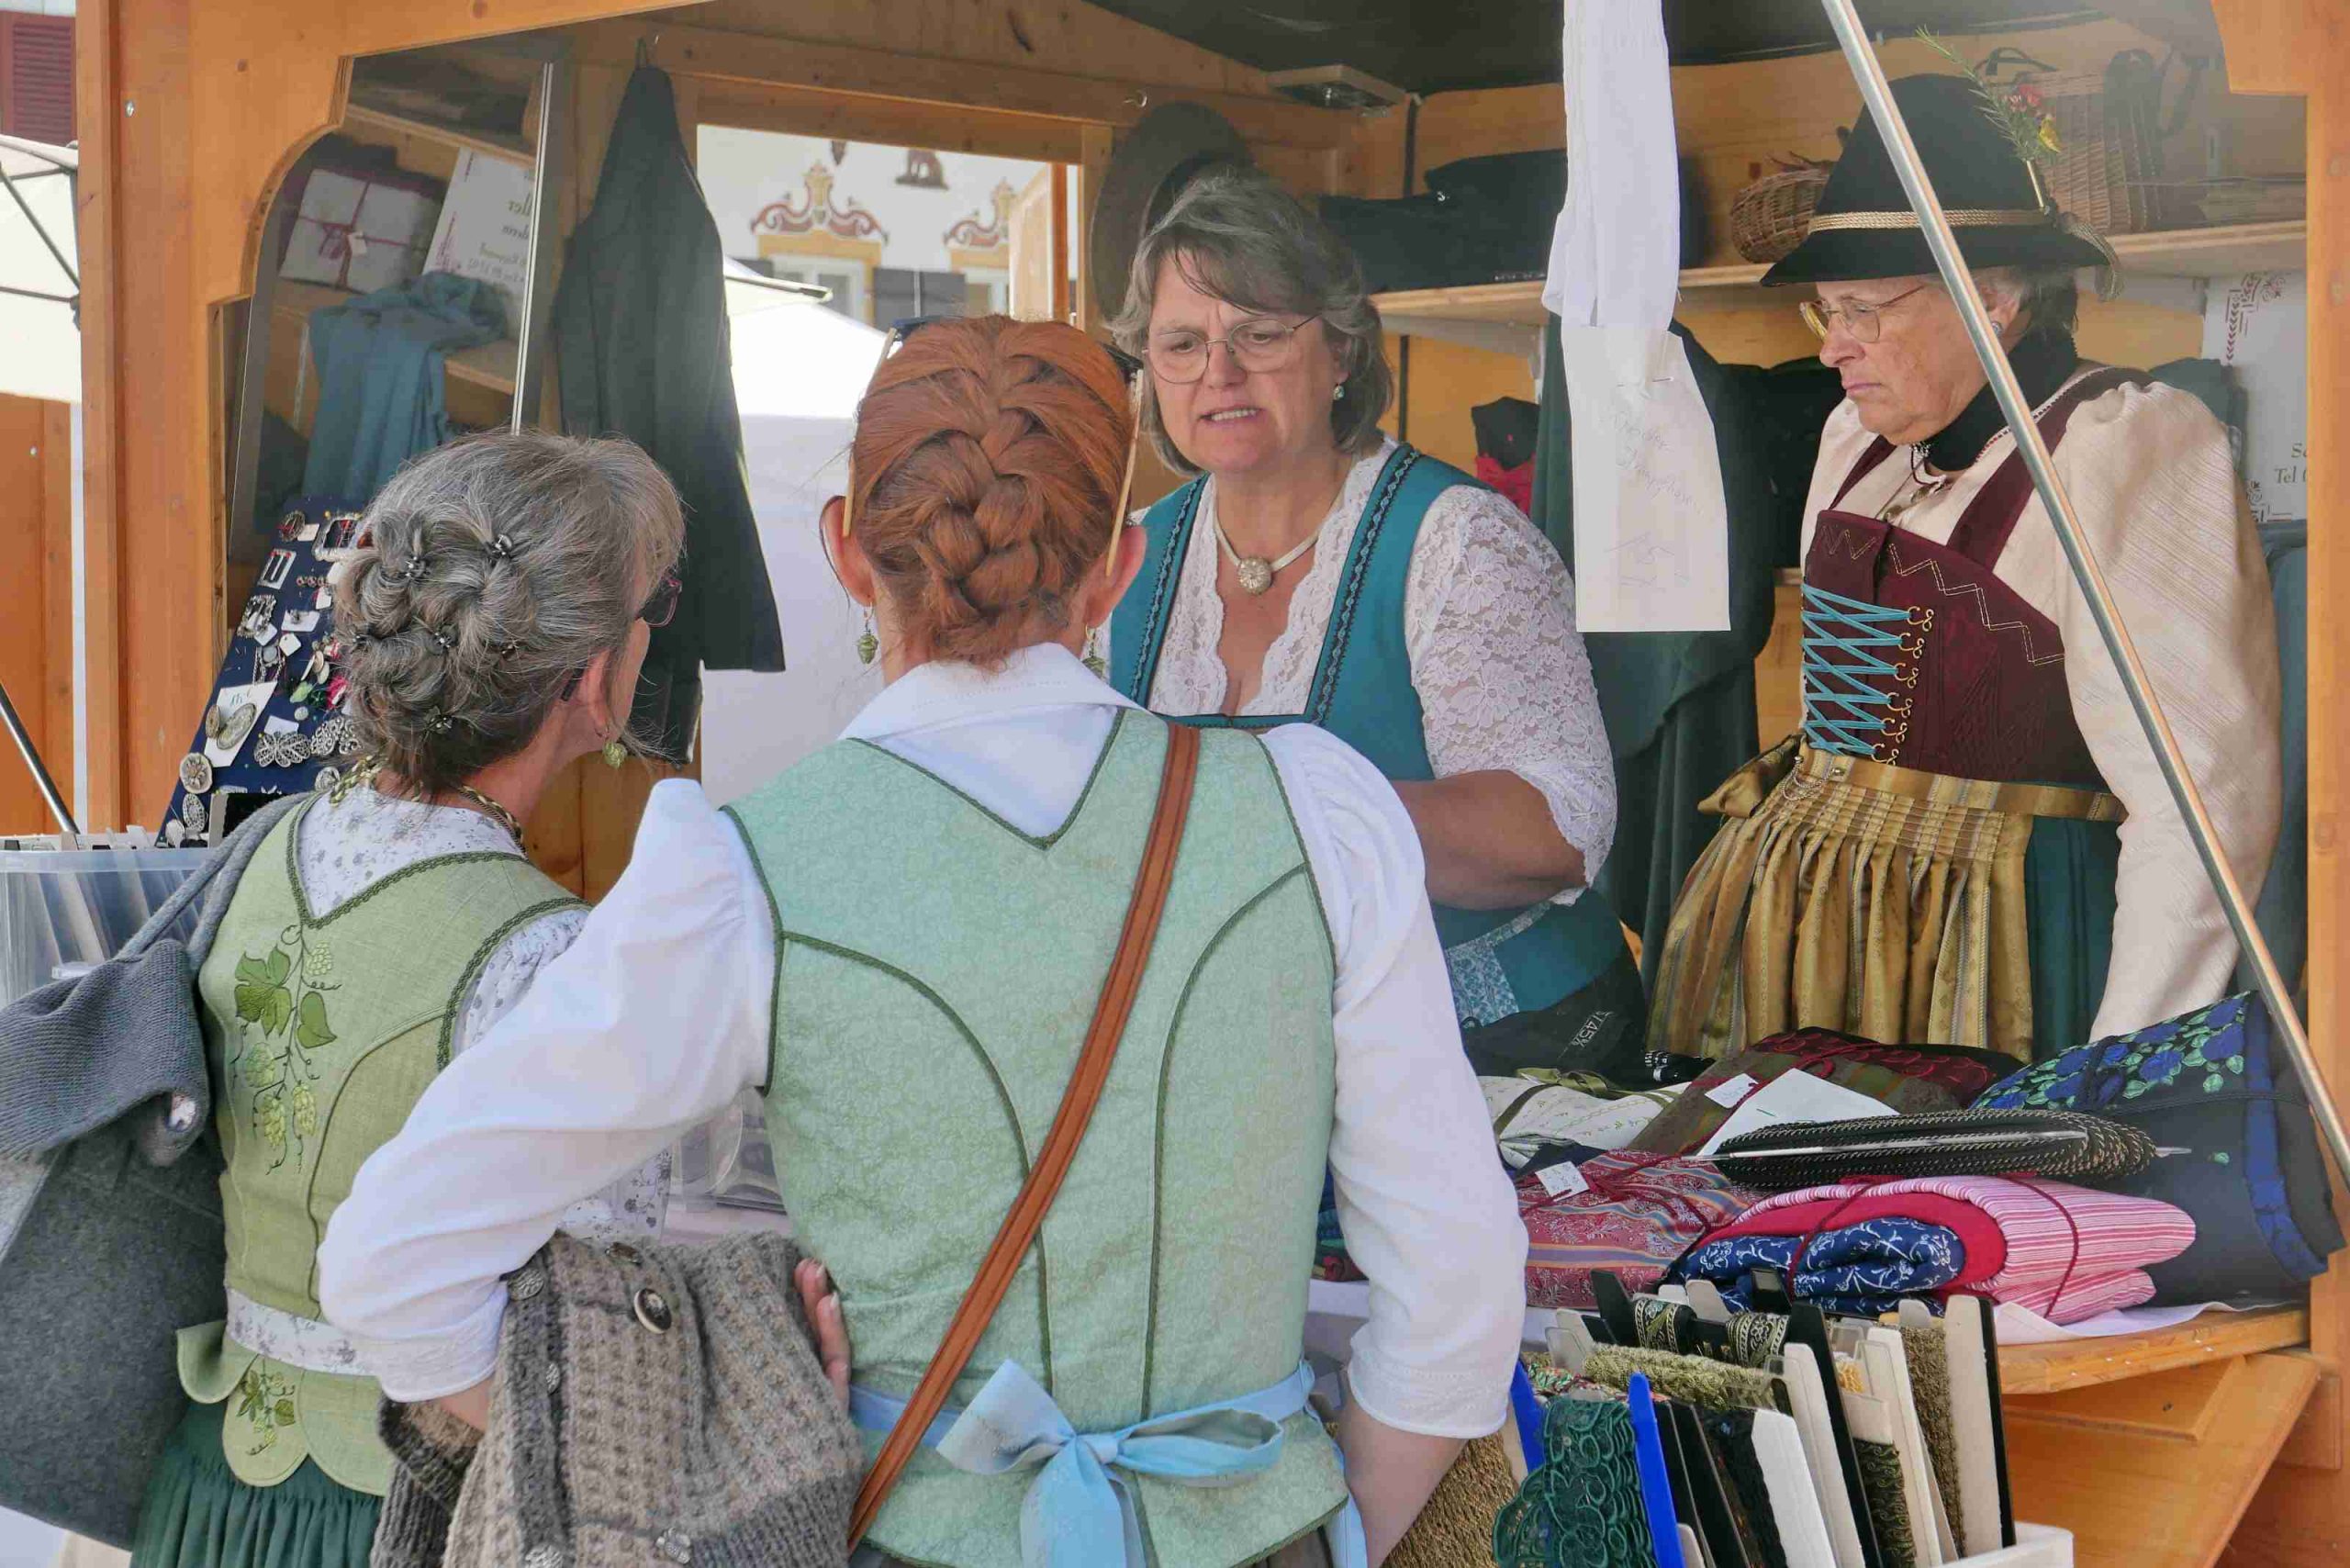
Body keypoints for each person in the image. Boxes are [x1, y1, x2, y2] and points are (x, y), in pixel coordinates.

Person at [316, 317, 1527, 1568]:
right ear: (1117, 566)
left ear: (847, 551)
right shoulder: (1318, 812)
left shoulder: (743, 873)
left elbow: (394, 1265)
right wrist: (1333, 1538)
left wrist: (678, 1460)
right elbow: (1460, 1291)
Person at [1646, 72, 2281, 1064]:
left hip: (1994, 954)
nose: (1835, 348)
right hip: (1811, 934)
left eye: (1864, 309)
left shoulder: (2118, 446)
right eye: (1825, 312)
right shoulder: (1851, 439)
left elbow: (2201, 802)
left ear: (1992, 298)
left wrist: (2120, 1069)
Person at [1105, 167, 1647, 1081]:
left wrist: (1274, 809)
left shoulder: (1456, 542)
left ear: (1343, 352)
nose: (1219, 373)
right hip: (1250, 1052)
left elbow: (1552, 837)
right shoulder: (1129, 558)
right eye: (1182, 344)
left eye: (1259, 334)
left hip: (1492, 1044)